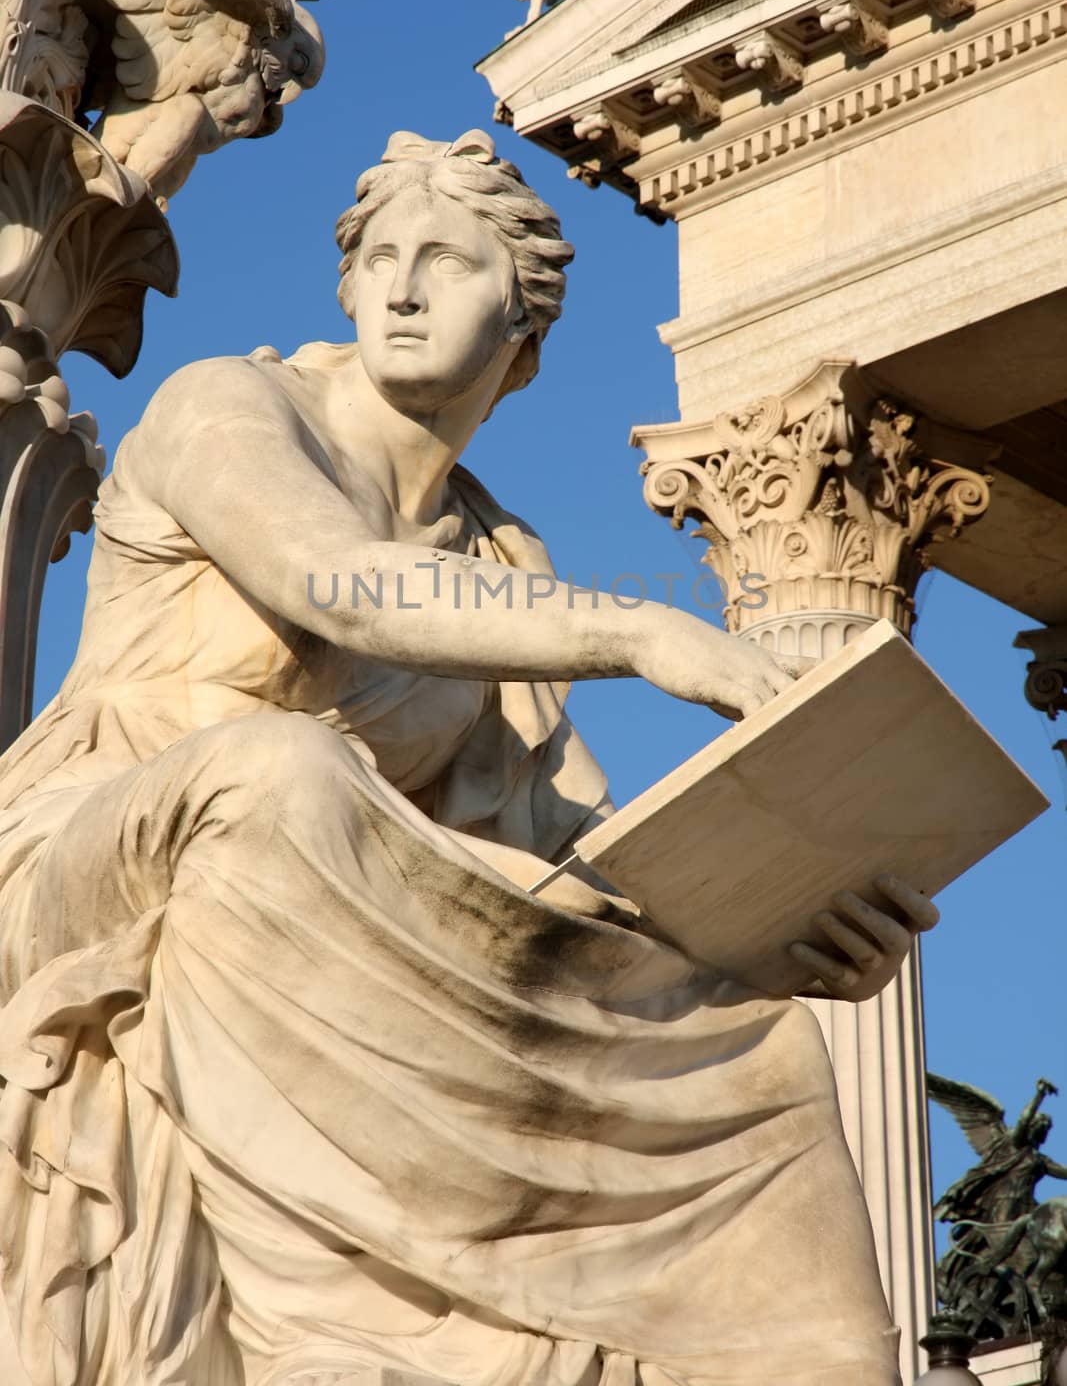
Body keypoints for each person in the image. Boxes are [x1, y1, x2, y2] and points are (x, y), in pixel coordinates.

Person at [0, 129, 936, 1386]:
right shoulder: (229, 404)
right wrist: (641, 626)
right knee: (276, 768)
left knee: (753, 1035)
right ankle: (316, 1332)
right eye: (378, 258)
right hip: (94, 850)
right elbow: (334, 584)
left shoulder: (504, 565)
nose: (397, 286)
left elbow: (556, 873)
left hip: (329, 890)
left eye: (444, 261)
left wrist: (770, 924)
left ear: (523, 331)